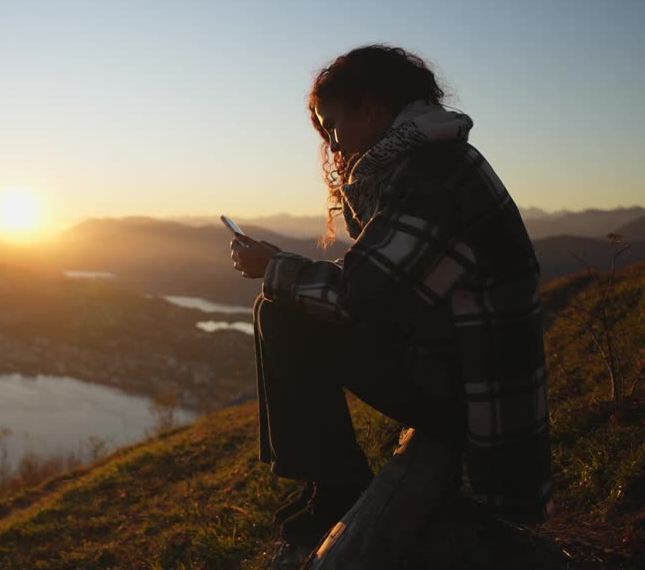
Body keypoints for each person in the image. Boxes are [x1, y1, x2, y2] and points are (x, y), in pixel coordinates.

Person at [229, 45, 552, 548]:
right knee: (282, 303)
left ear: (372, 107)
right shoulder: (431, 162)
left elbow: (364, 295)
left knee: (285, 315)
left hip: (468, 392)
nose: (332, 144)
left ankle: (337, 486)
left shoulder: (434, 175)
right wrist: (280, 269)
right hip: (462, 370)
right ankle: (327, 481)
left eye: (332, 123)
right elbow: (383, 277)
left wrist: (274, 267)